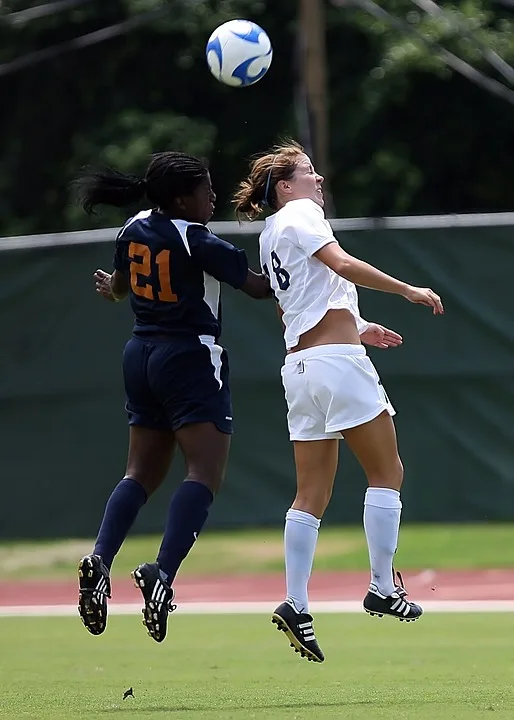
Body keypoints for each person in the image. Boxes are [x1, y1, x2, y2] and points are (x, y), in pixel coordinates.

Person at [233, 140, 444, 664]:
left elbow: (295, 309)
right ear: (286, 187)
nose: (318, 180)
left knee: (309, 495)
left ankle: (296, 603)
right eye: (308, 173)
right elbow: (342, 264)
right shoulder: (301, 213)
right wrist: (406, 290)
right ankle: (381, 586)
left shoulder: (267, 235)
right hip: (335, 366)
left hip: (299, 368)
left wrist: (360, 325)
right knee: (387, 472)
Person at [74, 151, 270, 643]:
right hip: (189, 357)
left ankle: (100, 558)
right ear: (182, 199)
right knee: (203, 473)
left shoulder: (135, 226)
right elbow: (260, 289)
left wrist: (112, 289)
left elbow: (119, 289)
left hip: (140, 354)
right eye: (206, 189)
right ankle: (161, 572)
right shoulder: (200, 241)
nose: (213, 196)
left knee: (139, 472)